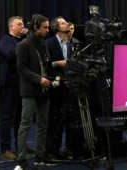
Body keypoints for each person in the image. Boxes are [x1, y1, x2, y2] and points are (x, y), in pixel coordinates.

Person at [14, 14, 54, 169]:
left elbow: (47, 66)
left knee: (43, 124)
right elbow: (21, 69)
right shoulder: (23, 45)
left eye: (48, 27)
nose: (47, 30)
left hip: (44, 91)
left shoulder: (43, 44)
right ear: (36, 27)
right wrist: (39, 79)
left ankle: (40, 157)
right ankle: (21, 161)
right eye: (44, 27)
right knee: (25, 125)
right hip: (30, 91)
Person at [0, 16, 28, 160]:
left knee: (20, 119)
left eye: (23, 24)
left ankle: (20, 146)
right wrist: (25, 42)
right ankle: (5, 148)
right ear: (11, 27)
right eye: (19, 24)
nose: (23, 26)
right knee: (7, 118)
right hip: (9, 85)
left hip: (21, 85)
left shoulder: (20, 41)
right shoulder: (5, 40)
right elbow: (10, 54)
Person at [45, 16, 73, 159]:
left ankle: (64, 148)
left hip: (68, 86)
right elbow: (45, 64)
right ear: (56, 27)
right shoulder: (49, 43)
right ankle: (51, 150)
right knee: (54, 120)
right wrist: (57, 63)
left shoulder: (69, 44)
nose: (66, 24)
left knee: (67, 119)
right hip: (55, 85)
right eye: (63, 23)